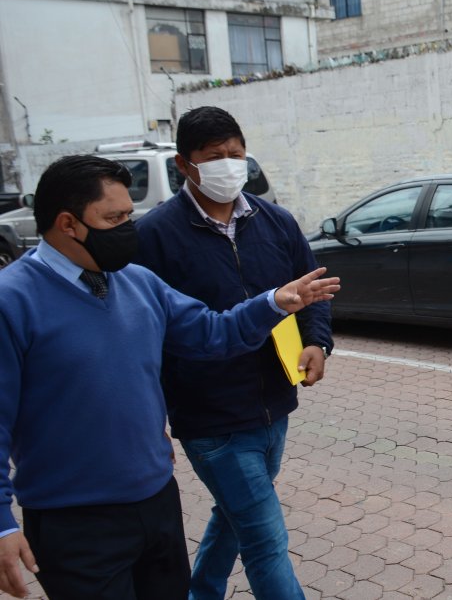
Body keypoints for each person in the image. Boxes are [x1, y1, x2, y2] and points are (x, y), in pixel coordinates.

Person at [0, 155, 339, 599]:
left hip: (156, 501)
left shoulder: (138, 283)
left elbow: (212, 334)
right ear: (68, 223)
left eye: (129, 215)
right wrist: (3, 524)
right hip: (75, 519)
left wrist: (274, 303)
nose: (127, 228)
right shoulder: (13, 299)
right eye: (114, 217)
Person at [134, 106, 333, 600]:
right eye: (214, 157)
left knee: (235, 512)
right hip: (210, 417)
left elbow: (313, 292)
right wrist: (149, 409)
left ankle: (202, 592)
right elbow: (141, 332)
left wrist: (316, 341)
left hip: (274, 404)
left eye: (236, 154)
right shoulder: (154, 237)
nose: (229, 164)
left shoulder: (276, 222)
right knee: (266, 539)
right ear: (185, 165)